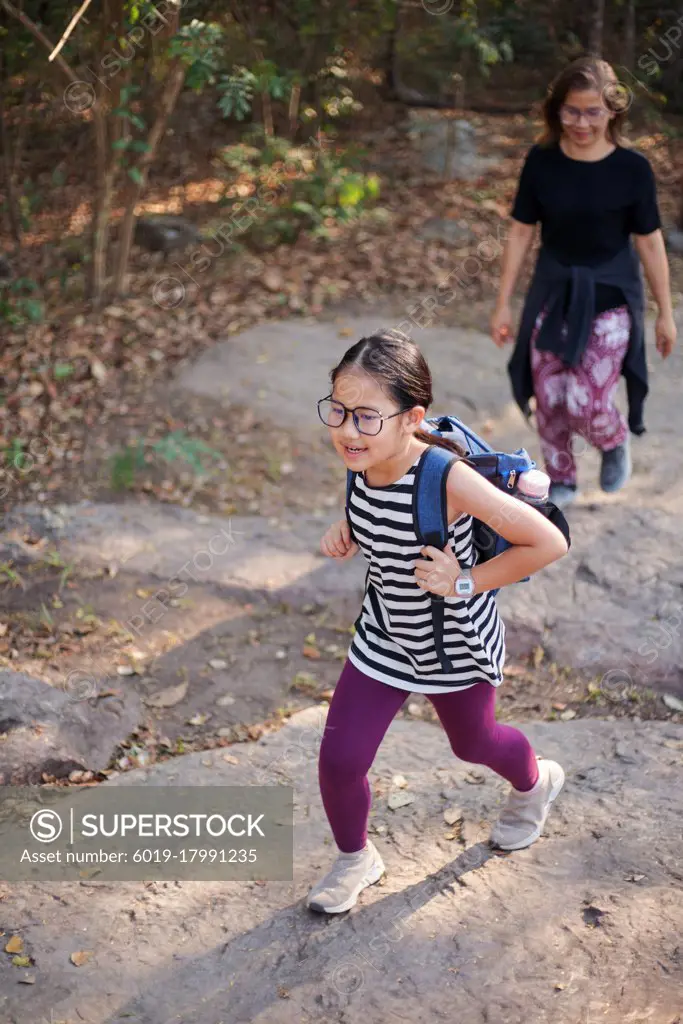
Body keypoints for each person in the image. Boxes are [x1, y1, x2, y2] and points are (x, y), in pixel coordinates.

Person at [306, 328, 569, 915]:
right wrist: (347, 527)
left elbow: (547, 542)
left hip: (454, 643)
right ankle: (355, 858)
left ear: (410, 417)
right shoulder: (362, 456)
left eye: (366, 417)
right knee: (341, 760)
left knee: (474, 744)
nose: (347, 430)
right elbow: (376, 507)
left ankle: (535, 782)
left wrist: (465, 580)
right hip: (385, 635)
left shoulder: (447, 478)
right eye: (338, 411)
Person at [491, 56, 676, 509]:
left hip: (611, 294)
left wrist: (666, 314)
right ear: (557, 111)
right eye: (571, 111)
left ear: (613, 110)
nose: (581, 122)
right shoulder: (542, 161)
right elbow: (520, 231)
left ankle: (613, 441)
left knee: (586, 401)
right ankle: (561, 478)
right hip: (553, 290)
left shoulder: (632, 168)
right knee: (550, 396)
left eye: (593, 112)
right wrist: (502, 304)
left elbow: (650, 243)